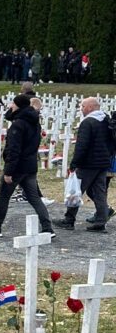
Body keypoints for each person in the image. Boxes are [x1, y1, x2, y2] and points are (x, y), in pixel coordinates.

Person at [0, 95, 55, 238]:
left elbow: (14, 149)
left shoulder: (18, 124)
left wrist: (8, 171)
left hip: (17, 167)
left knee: (3, 197)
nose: (10, 105)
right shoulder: (34, 122)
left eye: (13, 103)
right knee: (34, 198)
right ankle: (47, 228)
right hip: (30, 166)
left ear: (18, 105)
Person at [54, 98, 114, 233]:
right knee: (100, 193)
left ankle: (69, 220)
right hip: (103, 162)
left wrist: (74, 163)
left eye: (83, 106)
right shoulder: (106, 120)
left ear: (91, 107)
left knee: (75, 191)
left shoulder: (88, 123)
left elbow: (82, 146)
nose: (81, 108)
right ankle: (100, 222)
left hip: (88, 163)